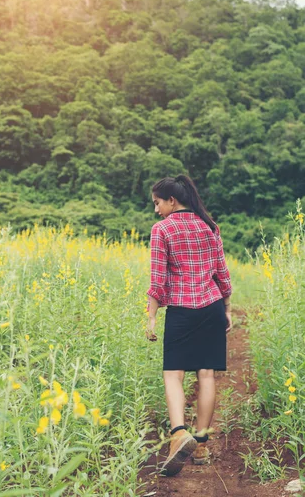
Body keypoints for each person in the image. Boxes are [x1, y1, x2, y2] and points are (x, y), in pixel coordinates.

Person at [146, 174, 232, 477]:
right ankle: (201, 445)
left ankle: (178, 433)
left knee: (173, 374)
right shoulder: (210, 226)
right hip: (211, 307)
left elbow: (158, 280)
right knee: (206, 374)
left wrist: (152, 316)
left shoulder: (163, 230)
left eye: (157, 203)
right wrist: (227, 308)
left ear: (171, 200)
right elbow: (222, 274)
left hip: (182, 310)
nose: (156, 210)